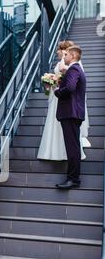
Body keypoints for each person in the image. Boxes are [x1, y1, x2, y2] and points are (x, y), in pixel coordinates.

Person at [37, 41, 90, 161]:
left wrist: (57, 89)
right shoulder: (69, 65)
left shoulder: (73, 67)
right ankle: (55, 152)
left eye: (60, 50)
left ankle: (73, 175)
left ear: (67, 52)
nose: (58, 52)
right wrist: (51, 81)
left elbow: (70, 85)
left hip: (67, 103)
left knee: (71, 139)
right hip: (63, 103)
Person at [54, 46, 86, 189]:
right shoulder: (76, 69)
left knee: (72, 148)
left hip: (70, 113)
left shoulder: (73, 69)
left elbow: (71, 88)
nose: (63, 57)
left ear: (72, 55)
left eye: (65, 54)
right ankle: (73, 178)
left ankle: (73, 179)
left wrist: (57, 91)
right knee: (73, 147)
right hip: (74, 113)